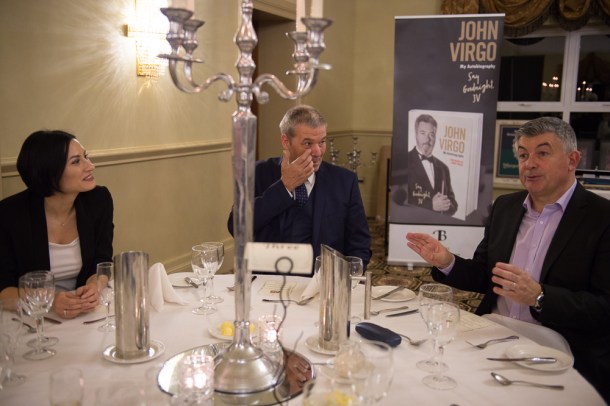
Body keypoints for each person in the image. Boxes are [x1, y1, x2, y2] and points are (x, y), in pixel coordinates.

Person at [405, 117, 610, 401]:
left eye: (542, 153)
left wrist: (540, 297)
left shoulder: (602, 219)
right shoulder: (505, 207)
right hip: (491, 333)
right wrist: (447, 261)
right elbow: (485, 276)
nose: (530, 164)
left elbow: (604, 308)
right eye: (523, 155)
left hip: (557, 348)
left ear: (572, 160)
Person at [227, 105, 371, 273]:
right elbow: (236, 227)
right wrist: (284, 187)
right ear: (286, 141)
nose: (318, 152)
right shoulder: (257, 173)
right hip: (268, 280)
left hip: (322, 281)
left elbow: (359, 245)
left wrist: (347, 278)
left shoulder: (344, 181)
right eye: (308, 143)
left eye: (322, 142)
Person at [0, 130, 114, 319]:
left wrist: (95, 286)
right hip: (32, 318)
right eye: (76, 161)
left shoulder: (98, 200)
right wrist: (50, 301)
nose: (90, 166)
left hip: (85, 313)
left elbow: (102, 260)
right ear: (50, 173)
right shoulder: (9, 214)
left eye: (85, 157)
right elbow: (3, 289)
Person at [404, 113, 458, 216]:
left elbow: (454, 204)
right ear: (416, 134)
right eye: (423, 133)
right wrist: (430, 205)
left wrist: (446, 204)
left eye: (431, 134)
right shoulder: (404, 161)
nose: (427, 139)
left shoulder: (443, 168)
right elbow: (400, 203)